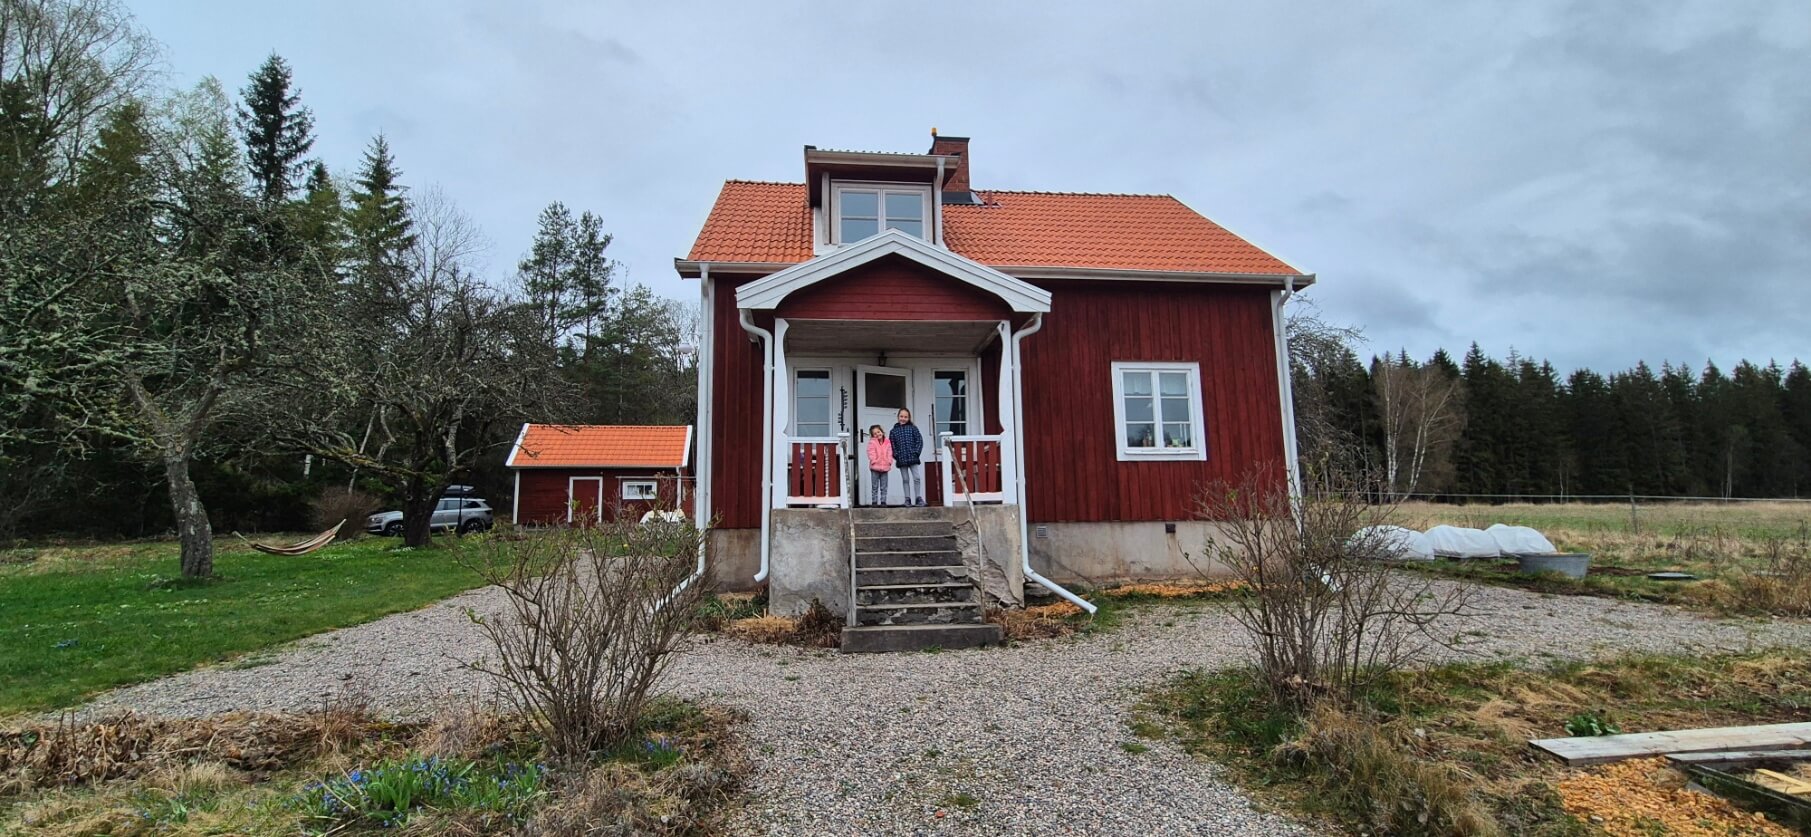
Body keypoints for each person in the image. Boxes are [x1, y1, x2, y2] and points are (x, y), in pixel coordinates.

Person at [889, 408, 926, 506]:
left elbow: (919, 441)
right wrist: (896, 455)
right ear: (898, 417)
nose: (903, 418)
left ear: (909, 418)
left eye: (905, 417)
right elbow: (892, 445)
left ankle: (918, 498)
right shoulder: (893, 431)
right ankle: (907, 499)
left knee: (916, 477)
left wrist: (916, 452)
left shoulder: (913, 428)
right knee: (905, 479)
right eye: (901, 416)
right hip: (901, 459)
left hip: (913, 457)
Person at [865, 424, 894, 506]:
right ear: (872, 435)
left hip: (885, 467)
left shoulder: (887, 442)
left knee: (884, 486)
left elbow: (890, 453)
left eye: (878, 432)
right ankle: (874, 501)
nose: (877, 434)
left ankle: (883, 502)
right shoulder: (872, 442)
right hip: (875, 467)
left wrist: (889, 461)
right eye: (875, 433)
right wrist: (874, 460)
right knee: (874, 486)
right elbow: (870, 452)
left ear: (882, 432)